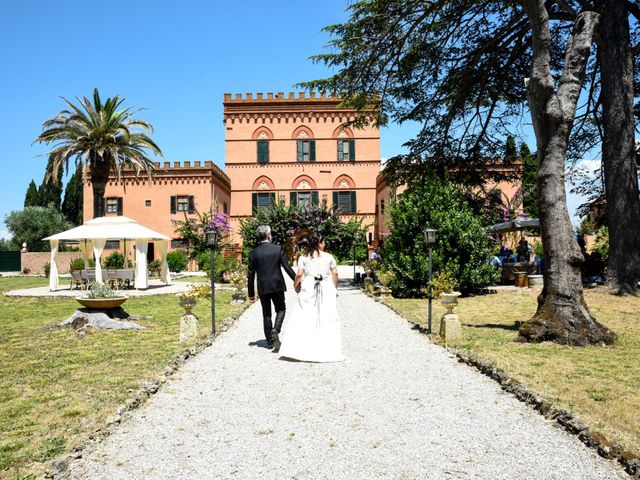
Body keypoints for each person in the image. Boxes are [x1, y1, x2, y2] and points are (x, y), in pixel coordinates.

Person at [278, 235, 344, 362]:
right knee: (326, 314)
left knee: (305, 313)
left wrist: (296, 285)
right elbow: (335, 273)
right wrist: (334, 288)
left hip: (309, 285)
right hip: (325, 286)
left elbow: (299, 274)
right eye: (324, 242)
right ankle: (325, 346)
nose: (325, 244)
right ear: (319, 243)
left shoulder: (303, 257)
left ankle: (301, 348)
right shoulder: (329, 256)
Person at [247, 225, 296, 350]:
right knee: (281, 309)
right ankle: (276, 329)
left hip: (263, 286)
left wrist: (251, 293)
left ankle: (269, 342)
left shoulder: (253, 253)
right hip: (277, 285)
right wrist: (297, 280)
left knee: (266, 313)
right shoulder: (277, 249)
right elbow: (286, 267)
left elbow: (251, 275)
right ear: (269, 235)